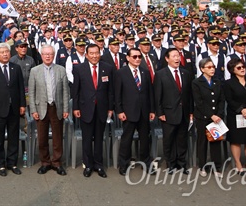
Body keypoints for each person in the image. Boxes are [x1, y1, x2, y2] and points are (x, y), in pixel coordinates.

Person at [71, 43, 114, 178]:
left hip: (102, 108)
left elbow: (110, 91)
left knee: (100, 137)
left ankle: (99, 165)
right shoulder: (79, 69)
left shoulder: (107, 68)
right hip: (85, 108)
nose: (94, 56)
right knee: (87, 138)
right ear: (87, 54)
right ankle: (88, 165)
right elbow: (76, 91)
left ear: (100, 53)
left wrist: (111, 108)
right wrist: (76, 107)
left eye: (97, 53)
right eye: (92, 53)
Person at [0, 42, 26, 177]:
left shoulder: (16, 68)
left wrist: (22, 105)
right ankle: (0, 164)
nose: (5, 54)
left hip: (14, 108)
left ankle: (12, 163)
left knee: (14, 137)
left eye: (7, 52)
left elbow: (21, 88)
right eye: (2, 52)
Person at [28, 44, 69, 176]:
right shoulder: (35, 71)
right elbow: (32, 92)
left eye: (50, 54)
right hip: (41, 108)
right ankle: (45, 162)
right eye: (45, 54)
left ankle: (57, 162)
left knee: (57, 137)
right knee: (42, 137)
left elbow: (65, 91)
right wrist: (33, 110)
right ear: (41, 55)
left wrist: (65, 109)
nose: (48, 56)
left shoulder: (61, 70)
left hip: (57, 107)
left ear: (54, 55)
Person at [114, 48, 156, 175]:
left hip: (144, 111)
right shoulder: (121, 73)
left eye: (139, 57)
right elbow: (117, 94)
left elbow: (150, 92)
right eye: (134, 57)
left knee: (145, 139)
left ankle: (146, 162)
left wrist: (152, 110)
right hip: (128, 111)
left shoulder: (145, 72)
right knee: (127, 139)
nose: (137, 59)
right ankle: (124, 164)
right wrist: (120, 111)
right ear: (128, 58)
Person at [154, 47, 194, 173]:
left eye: (178, 56)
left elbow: (189, 95)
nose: (177, 58)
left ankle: (181, 163)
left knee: (182, 139)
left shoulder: (186, 73)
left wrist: (191, 111)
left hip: (184, 112)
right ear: (167, 59)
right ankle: (170, 164)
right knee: (169, 139)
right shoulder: (160, 74)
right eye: (174, 56)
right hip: (168, 112)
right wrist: (160, 113)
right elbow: (157, 95)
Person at [224, 58, 246, 176]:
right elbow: (229, 99)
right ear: (233, 70)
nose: (242, 69)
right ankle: (238, 164)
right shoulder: (228, 84)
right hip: (235, 115)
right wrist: (241, 109)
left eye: (243, 67)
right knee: (236, 140)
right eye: (239, 68)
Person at [192, 57, 225, 177]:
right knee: (202, 142)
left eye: (213, 67)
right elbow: (199, 102)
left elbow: (221, 99)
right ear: (202, 69)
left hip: (217, 117)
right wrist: (211, 115)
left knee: (216, 141)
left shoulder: (217, 81)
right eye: (209, 67)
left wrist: (219, 114)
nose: (212, 69)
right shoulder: (196, 82)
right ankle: (202, 166)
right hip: (203, 117)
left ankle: (217, 167)